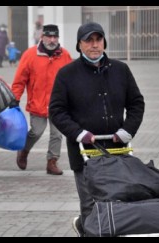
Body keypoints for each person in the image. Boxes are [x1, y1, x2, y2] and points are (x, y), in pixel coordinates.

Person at [49, 22, 145, 236]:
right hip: (84, 152)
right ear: (79, 45)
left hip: (116, 149)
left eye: (98, 39)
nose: (94, 45)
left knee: (119, 201)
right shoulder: (67, 74)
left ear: (104, 42)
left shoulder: (120, 70)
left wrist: (127, 130)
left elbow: (136, 103)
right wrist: (79, 133)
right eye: (88, 40)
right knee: (91, 204)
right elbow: (57, 111)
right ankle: (88, 227)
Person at [11, 24, 73, 175]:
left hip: (58, 104)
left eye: (55, 37)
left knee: (57, 134)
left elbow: (73, 80)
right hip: (37, 102)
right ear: (42, 37)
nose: (52, 40)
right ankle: (24, 151)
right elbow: (20, 80)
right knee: (36, 132)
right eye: (49, 36)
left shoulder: (64, 55)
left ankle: (52, 162)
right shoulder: (30, 55)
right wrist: (15, 98)